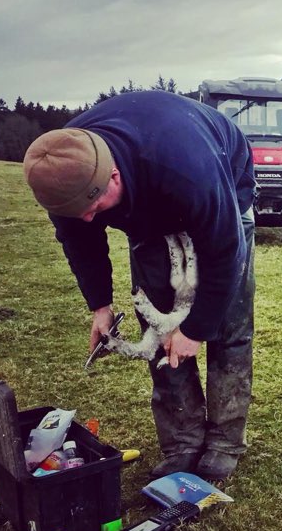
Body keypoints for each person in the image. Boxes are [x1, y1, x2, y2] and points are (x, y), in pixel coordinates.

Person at [22, 91, 256, 482]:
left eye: (95, 208)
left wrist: (195, 330)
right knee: (158, 328)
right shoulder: (64, 173)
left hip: (221, 190)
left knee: (228, 328)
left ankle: (225, 442)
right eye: (78, 213)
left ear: (112, 176)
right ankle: (182, 442)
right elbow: (80, 240)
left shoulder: (186, 165)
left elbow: (225, 250)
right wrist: (100, 305)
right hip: (148, 215)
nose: (90, 218)